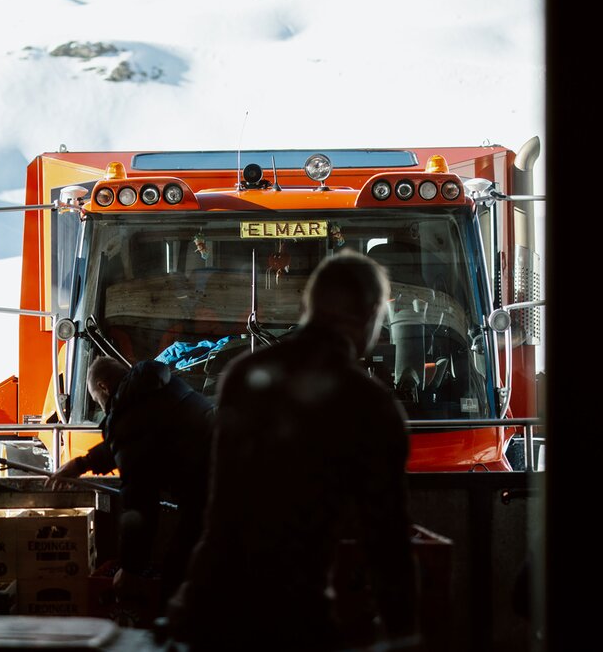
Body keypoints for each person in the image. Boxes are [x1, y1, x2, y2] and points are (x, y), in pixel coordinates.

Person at [166, 250, 420, 651]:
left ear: (307, 306)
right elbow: (386, 538)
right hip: (296, 613)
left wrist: (188, 599)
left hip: (212, 605)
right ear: (371, 314)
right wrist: (403, 631)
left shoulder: (243, 375)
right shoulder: (369, 403)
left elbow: (217, 506)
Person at [48, 356, 215, 614]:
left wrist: (131, 568)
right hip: (228, 483)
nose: (103, 409)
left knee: (177, 579)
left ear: (103, 387)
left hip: (213, 498)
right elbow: (133, 441)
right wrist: (81, 464)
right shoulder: (158, 388)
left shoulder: (130, 415)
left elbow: (139, 501)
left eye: (96, 400)